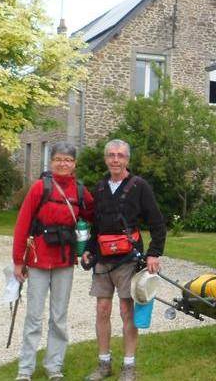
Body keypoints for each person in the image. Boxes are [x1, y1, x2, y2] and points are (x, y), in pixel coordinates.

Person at [82, 139, 167, 381]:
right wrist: (89, 248)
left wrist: (153, 253)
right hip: (102, 260)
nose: (115, 160)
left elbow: (158, 224)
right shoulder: (99, 188)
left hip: (129, 259)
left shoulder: (140, 186)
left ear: (127, 159)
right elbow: (96, 226)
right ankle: (104, 364)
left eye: (120, 155)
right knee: (102, 309)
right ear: (106, 159)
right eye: (111, 155)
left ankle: (129, 366)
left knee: (126, 310)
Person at [11, 142, 93, 381]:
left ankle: (54, 367)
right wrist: (18, 261)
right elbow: (22, 223)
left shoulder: (79, 191)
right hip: (37, 260)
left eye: (68, 160)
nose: (63, 163)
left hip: (64, 261)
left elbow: (93, 214)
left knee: (59, 316)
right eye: (58, 159)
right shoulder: (40, 187)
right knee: (34, 316)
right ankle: (25, 369)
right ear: (51, 161)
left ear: (74, 164)